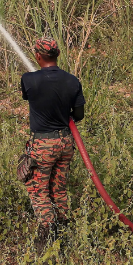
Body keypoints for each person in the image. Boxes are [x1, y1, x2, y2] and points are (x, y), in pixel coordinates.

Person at [20, 37, 85, 236]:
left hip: (43, 144)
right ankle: (64, 229)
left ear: (38, 56)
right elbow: (79, 115)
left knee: (38, 189)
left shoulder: (29, 80)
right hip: (66, 142)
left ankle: (47, 234)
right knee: (59, 187)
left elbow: (28, 96)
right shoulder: (73, 81)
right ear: (57, 55)